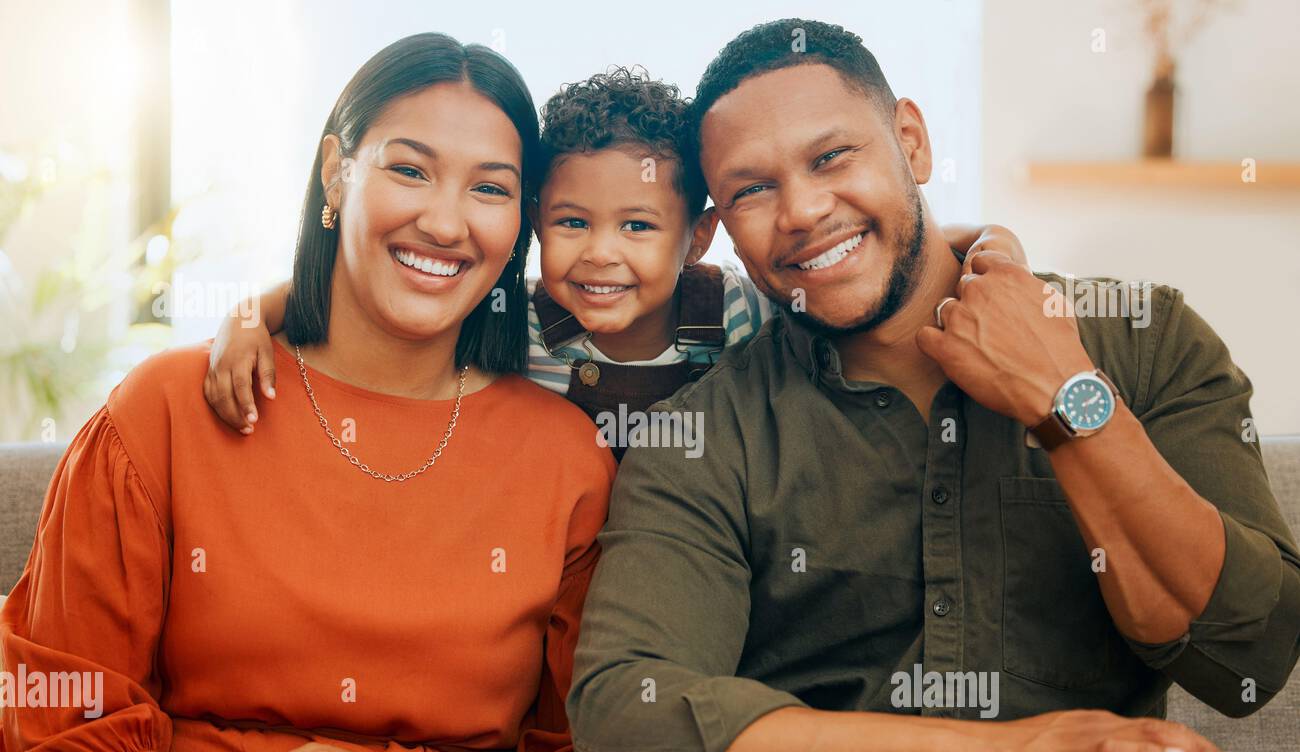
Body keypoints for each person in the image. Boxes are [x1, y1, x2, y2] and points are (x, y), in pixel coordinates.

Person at [549, 19, 1300, 752]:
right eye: (753, 190)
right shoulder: (707, 425)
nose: (802, 211)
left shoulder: (1145, 339)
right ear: (721, 227)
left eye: (831, 158)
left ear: (910, 140)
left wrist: (1064, 404)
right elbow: (626, 721)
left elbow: (1250, 654)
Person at [0, 33, 613, 752]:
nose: (444, 220)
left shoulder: (567, 459)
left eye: (491, 190)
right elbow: (62, 738)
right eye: (409, 169)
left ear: (520, 224)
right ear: (337, 172)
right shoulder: (170, 410)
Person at [203, 68, 1025, 460]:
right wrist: (253, 316)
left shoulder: (737, 312)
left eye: (637, 225)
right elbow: (365, 299)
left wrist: (996, 252)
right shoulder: (512, 320)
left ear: (696, 239)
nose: (602, 254)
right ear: (532, 223)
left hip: (686, 559)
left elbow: (879, 271)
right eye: (570, 222)